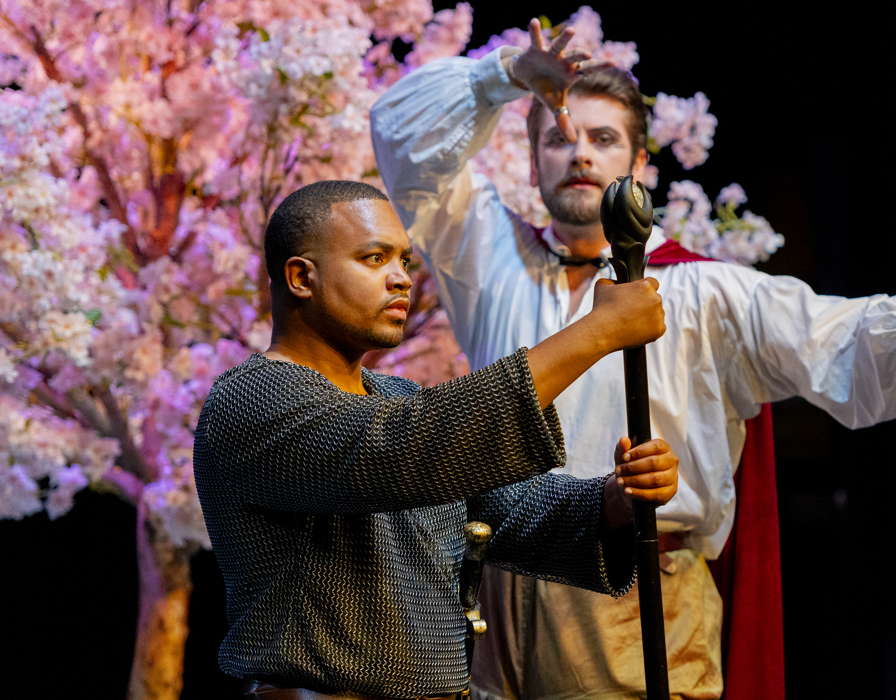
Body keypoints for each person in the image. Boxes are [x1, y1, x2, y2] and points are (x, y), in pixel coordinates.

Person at [369, 19, 896, 700]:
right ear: (532, 159)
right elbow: (401, 138)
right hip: (502, 582)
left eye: (602, 140)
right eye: (558, 139)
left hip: (629, 590)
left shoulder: (701, 288)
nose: (579, 155)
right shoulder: (490, 256)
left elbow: (828, 337)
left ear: (639, 166)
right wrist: (503, 73)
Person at [192, 180, 683, 699]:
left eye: (404, 261)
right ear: (300, 277)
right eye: (374, 258)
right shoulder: (251, 401)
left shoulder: (394, 397)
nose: (401, 279)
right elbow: (402, 452)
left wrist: (614, 500)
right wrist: (595, 334)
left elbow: (509, 510)